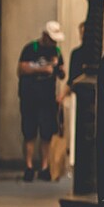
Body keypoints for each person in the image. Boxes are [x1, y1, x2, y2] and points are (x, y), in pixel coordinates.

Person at [17, 21, 66, 181]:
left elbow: (62, 73)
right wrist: (42, 69)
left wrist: (59, 70)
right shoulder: (31, 49)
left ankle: (45, 166)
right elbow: (21, 69)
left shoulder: (56, 52)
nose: (53, 43)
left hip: (47, 98)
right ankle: (29, 165)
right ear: (45, 36)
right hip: (30, 97)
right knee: (29, 132)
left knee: (46, 133)